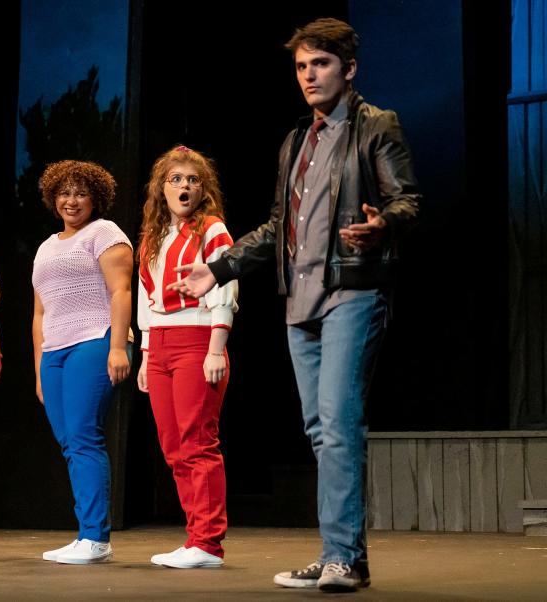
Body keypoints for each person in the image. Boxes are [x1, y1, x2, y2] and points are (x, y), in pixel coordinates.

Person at [167, 18, 420, 592]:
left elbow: (408, 200)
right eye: (302, 66)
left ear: (348, 69)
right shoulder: (296, 142)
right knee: (318, 427)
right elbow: (281, 226)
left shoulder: (375, 125)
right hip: (299, 301)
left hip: (352, 290)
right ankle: (339, 552)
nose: (309, 75)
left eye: (321, 64)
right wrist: (219, 266)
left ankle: (343, 557)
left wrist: (385, 224)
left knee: (337, 423)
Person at [136, 146, 239, 569]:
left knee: (198, 441)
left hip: (198, 338)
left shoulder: (211, 229)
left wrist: (218, 345)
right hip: (158, 343)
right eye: (176, 179)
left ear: (203, 190)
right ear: (162, 188)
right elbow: (145, 296)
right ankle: (195, 536)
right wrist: (145, 355)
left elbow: (226, 285)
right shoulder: (153, 237)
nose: (185, 186)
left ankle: (208, 544)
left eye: (193, 180)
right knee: (173, 446)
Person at [31, 160, 133, 564]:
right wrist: (39, 366)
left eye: (80, 193)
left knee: (85, 436)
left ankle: (96, 537)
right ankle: (87, 533)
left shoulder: (104, 233)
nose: (71, 201)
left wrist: (118, 346)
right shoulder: (45, 246)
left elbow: (121, 290)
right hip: (54, 351)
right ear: (53, 197)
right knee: (70, 441)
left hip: (95, 340)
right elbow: (39, 313)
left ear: (96, 198)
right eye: (64, 193)